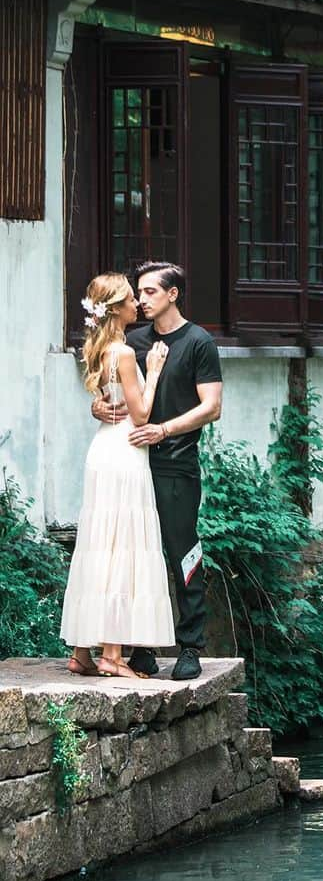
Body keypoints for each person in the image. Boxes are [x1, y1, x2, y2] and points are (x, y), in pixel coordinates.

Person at [90, 262, 223, 681]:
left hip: (175, 464)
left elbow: (212, 406)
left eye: (149, 292)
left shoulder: (199, 342)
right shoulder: (133, 341)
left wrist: (164, 428)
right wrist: (97, 406)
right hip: (131, 463)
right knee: (133, 554)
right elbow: (109, 390)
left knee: (182, 552)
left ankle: (190, 646)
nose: (141, 299)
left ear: (173, 295)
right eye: (138, 293)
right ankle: (140, 647)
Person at [61, 274, 175, 678]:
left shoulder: (96, 348)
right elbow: (141, 414)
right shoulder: (124, 353)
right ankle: (111, 654)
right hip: (125, 452)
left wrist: (98, 406)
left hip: (103, 449)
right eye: (130, 299)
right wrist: (155, 369)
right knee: (121, 545)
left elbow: (103, 401)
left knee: (98, 543)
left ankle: (82, 652)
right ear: (115, 310)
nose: (137, 305)